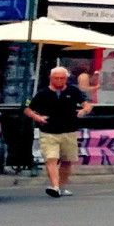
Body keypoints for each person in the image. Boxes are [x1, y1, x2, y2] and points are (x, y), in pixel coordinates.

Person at [24, 64, 89, 199]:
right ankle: (55, 187)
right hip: (49, 132)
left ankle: (61, 186)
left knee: (67, 160)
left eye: (62, 78)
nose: (59, 80)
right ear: (51, 78)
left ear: (66, 79)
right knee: (51, 159)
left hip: (68, 131)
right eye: (56, 78)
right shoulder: (42, 93)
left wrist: (84, 110)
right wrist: (38, 117)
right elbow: (28, 109)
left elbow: (87, 104)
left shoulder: (73, 91)